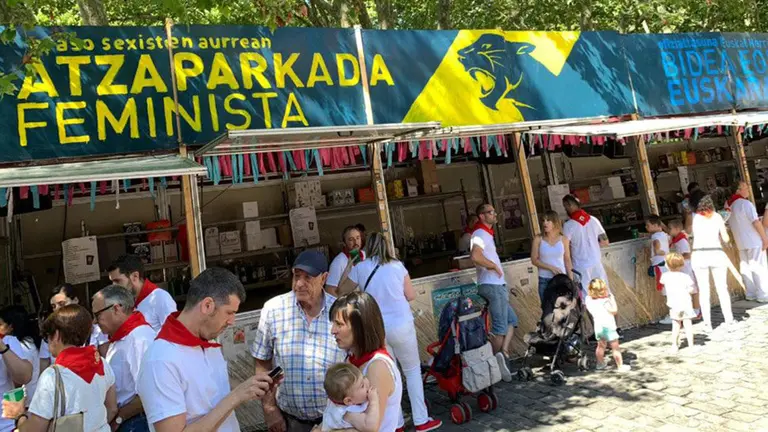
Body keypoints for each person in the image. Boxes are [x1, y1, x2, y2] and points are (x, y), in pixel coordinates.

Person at [137, 268, 277, 432]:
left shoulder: (207, 343)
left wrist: (251, 388)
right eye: (229, 313)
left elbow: (211, 390)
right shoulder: (160, 361)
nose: (232, 321)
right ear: (207, 305)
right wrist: (237, 396)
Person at [345, 232, 442, 432]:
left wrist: (351, 264)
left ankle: (396, 424)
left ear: (367, 247)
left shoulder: (361, 268)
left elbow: (340, 290)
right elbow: (411, 295)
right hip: (402, 326)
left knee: (390, 375)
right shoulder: (398, 266)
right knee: (412, 371)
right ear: (387, 246)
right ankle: (421, 420)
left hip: (378, 330)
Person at [251, 250, 346, 432]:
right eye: (296, 276)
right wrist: (269, 409)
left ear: (324, 278)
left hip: (335, 420)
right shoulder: (274, 310)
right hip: (289, 421)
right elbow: (262, 362)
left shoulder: (340, 311)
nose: (299, 284)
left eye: (308, 277)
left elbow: (354, 362)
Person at [2, 304, 118, 432]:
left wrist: (19, 416)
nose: (47, 341)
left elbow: (33, 430)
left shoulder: (53, 376)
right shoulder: (101, 363)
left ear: (56, 335)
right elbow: (112, 408)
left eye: (47, 336)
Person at [329, 292, 402, 432]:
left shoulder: (377, 367)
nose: (333, 331)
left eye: (339, 324)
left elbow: (370, 427)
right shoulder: (351, 358)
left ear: (360, 327)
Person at [92, 285, 156, 432]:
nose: (95, 322)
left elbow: (149, 392)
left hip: (136, 420)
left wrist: (119, 418)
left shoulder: (140, 338)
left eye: (97, 315)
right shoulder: (121, 337)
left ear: (116, 309)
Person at [470, 203, 516, 382]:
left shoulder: (485, 234)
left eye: (494, 211)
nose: (494, 214)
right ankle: (488, 365)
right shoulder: (480, 234)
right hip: (492, 285)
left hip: (496, 285)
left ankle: (502, 355)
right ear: (481, 216)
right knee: (499, 328)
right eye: (490, 212)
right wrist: (493, 265)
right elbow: (475, 256)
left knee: (511, 321)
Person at [690, 194, 734, 332]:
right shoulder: (717, 217)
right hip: (715, 252)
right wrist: (724, 230)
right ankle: (729, 320)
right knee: (722, 288)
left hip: (699, 254)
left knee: (704, 290)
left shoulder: (695, 218)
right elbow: (726, 239)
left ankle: (707, 323)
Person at [40, 284, 109, 370]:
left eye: (62, 304)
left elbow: (107, 362)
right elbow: (43, 367)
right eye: (53, 306)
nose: (57, 309)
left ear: (75, 300)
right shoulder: (50, 335)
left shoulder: (96, 331)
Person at [108, 255, 177, 331]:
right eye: (112, 282)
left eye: (117, 281)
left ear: (135, 276)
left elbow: (174, 334)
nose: (114, 286)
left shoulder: (160, 297)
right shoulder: (125, 302)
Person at [727, 181, 768, 303]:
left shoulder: (731, 205)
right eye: (745, 188)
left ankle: (750, 292)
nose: (748, 190)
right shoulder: (746, 204)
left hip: (740, 241)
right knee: (758, 266)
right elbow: (756, 222)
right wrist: (764, 238)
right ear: (738, 190)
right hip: (753, 239)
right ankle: (763, 293)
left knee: (745, 266)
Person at [562, 194, 610, 298]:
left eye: (565, 206)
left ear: (569, 206)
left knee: (588, 300)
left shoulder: (568, 226)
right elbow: (605, 242)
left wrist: (570, 276)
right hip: (597, 264)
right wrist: (592, 245)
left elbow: (566, 254)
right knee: (604, 296)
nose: (565, 209)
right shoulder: (593, 220)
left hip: (581, 269)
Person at [0, 306, 40, 412]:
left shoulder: (11, 342)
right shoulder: (29, 342)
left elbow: (22, 380)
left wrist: (2, 347)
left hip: (26, 403)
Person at [584, 279, 630, 373]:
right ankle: (620, 366)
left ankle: (600, 364)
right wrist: (611, 299)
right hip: (609, 327)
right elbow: (614, 311)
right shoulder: (605, 301)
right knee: (615, 347)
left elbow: (588, 301)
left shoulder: (589, 300)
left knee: (600, 346)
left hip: (598, 328)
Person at [320, 363, 379, 432]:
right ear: (349, 401)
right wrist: (374, 401)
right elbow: (371, 427)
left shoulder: (340, 401)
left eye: (363, 377)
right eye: (362, 385)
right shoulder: (348, 413)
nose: (366, 382)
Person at [531, 211, 574, 302]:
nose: (545, 223)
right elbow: (534, 260)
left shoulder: (563, 239)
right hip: (544, 279)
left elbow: (567, 260)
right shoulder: (538, 239)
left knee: (563, 311)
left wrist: (571, 281)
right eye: (543, 220)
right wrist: (550, 267)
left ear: (555, 222)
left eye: (548, 220)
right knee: (548, 312)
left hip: (561, 280)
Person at [659, 253, 696, 355]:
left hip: (674, 304)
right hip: (686, 304)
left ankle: (674, 345)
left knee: (676, 325)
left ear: (667, 265)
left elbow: (662, 286)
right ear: (682, 265)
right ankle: (691, 346)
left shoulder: (665, 276)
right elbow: (691, 289)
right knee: (688, 325)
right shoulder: (685, 276)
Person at [668, 219, 700, 318]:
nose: (669, 230)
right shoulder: (676, 239)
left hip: (686, 267)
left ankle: (697, 310)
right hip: (682, 267)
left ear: (677, 229)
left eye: (670, 228)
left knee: (693, 289)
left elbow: (687, 254)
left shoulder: (681, 241)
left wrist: (676, 260)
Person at [646, 215, 672, 324]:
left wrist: (659, 252)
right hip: (666, 263)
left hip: (660, 265)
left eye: (648, 225)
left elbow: (657, 247)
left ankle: (672, 314)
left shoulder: (655, 237)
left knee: (667, 291)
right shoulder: (664, 235)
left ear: (656, 225)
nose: (646, 227)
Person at [326, 227, 365, 296]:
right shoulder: (338, 262)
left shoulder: (366, 256)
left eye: (358, 238)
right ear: (344, 243)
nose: (356, 242)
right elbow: (330, 292)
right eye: (351, 240)